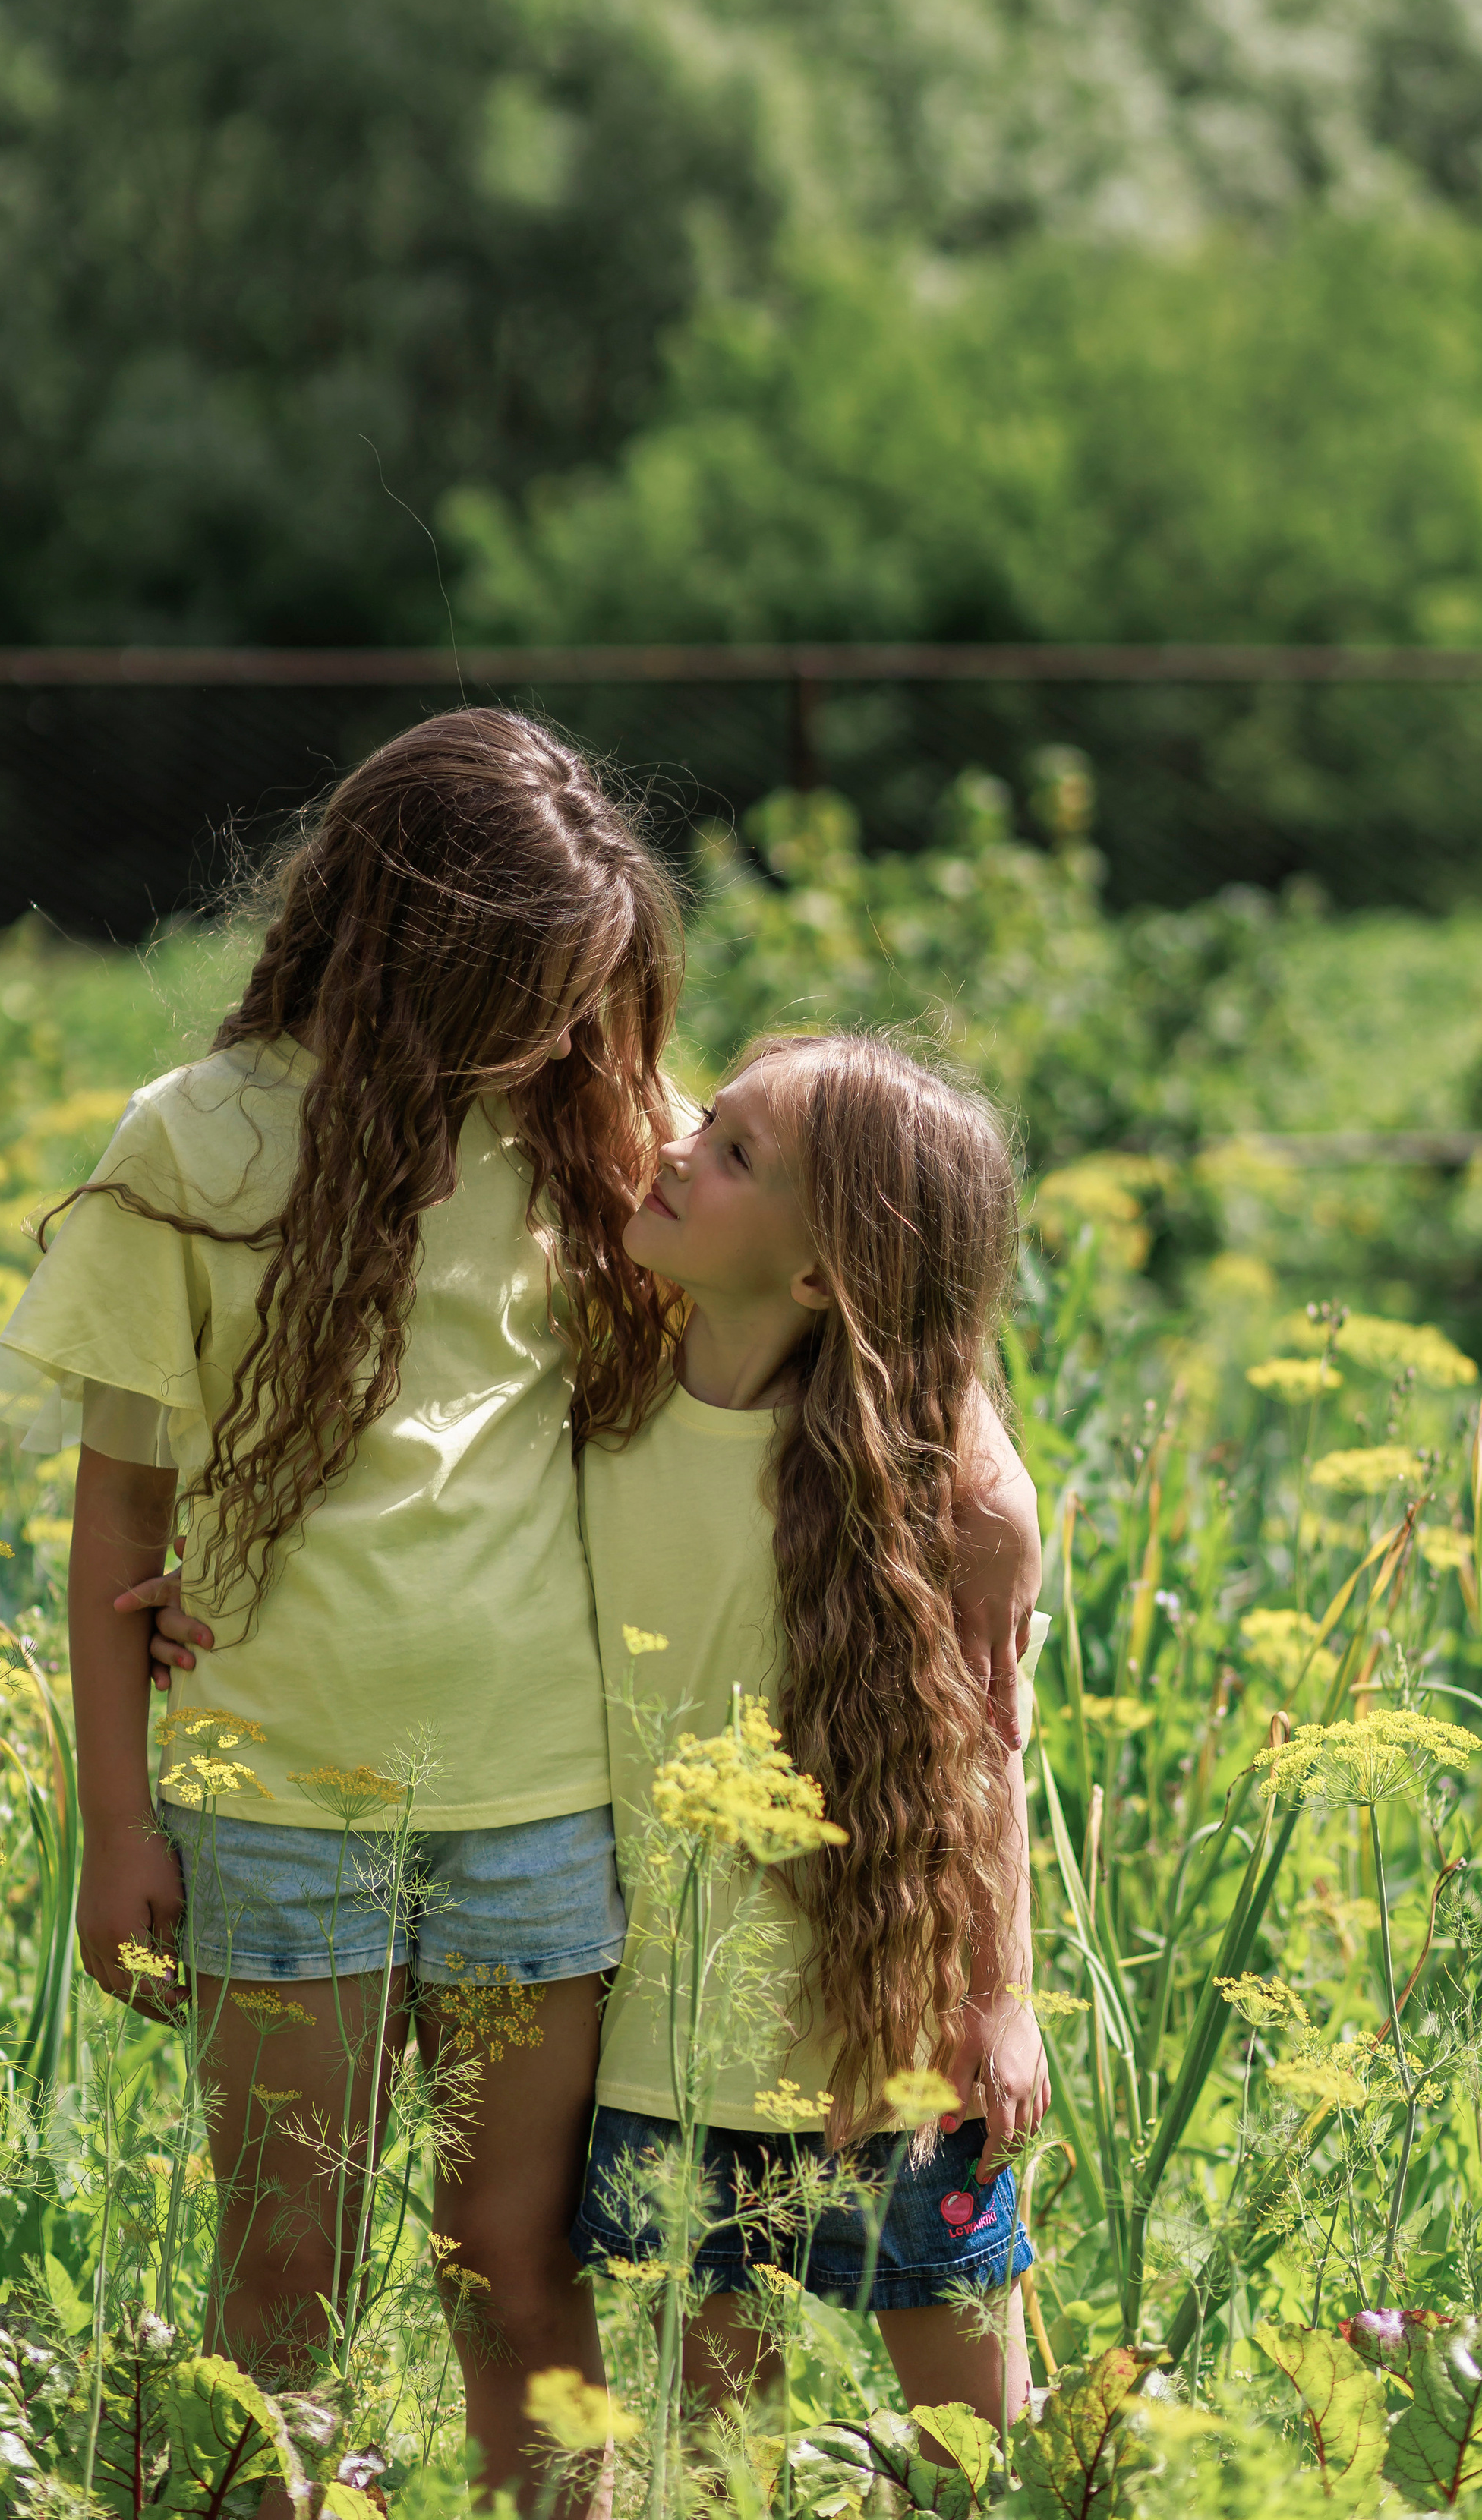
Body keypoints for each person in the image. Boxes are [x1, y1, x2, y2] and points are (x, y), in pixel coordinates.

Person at [0, 710, 689, 2509]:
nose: (551, 1033)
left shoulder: (596, 1129)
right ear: (408, 943)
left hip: (541, 1819)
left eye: (580, 994)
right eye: (523, 989)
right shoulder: (199, 1149)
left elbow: (795, 1289)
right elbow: (117, 1503)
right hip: (271, 1816)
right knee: (279, 2293)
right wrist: (115, 1820)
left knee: (517, 2280)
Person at [569, 1031, 1049, 2442]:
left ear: (823, 1273)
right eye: (706, 1119)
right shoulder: (600, 1401)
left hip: (895, 2055)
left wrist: (999, 1996)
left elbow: (984, 1766)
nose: (674, 1150)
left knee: (986, 2455)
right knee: (717, 2463)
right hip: (666, 2060)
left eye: (732, 1155)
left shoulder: (924, 1493)